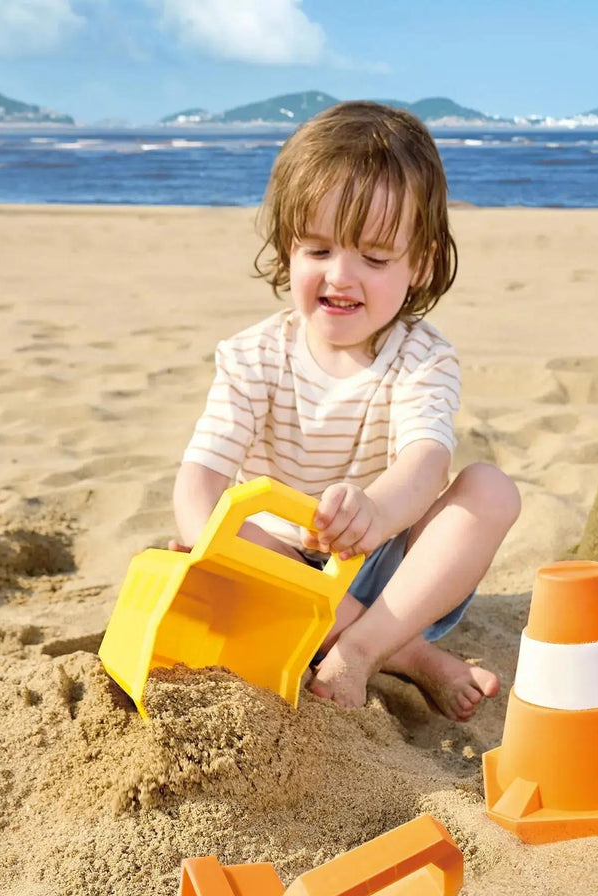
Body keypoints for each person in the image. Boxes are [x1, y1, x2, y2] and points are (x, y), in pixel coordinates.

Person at [173, 101, 521, 721]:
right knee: (202, 535)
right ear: (287, 247)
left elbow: (424, 461)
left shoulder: (422, 358)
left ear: (423, 263)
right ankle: (410, 658)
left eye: (375, 258)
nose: (341, 276)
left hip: (382, 575)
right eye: (317, 249)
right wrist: (213, 550)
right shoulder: (253, 356)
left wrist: (376, 511)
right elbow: (198, 478)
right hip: (280, 572)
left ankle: (361, 649)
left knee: (490, 490)